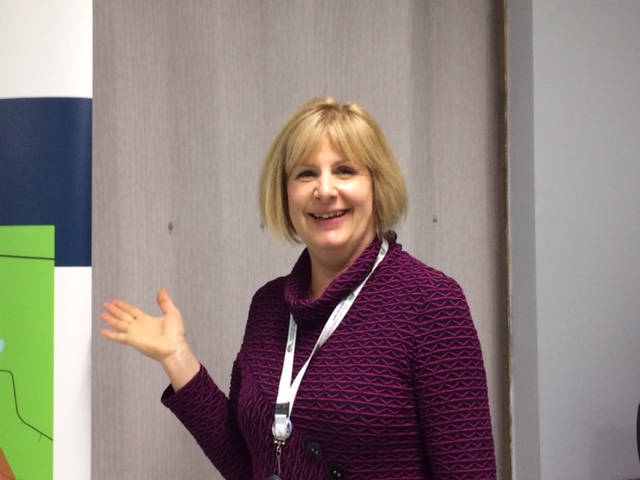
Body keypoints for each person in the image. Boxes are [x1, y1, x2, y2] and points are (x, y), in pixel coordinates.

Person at [100, 97, 497, 479]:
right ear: (285, 193)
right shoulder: (269, 306)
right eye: (306, 174)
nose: (324, 190)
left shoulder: (430, 303)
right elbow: (250, 464)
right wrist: (178, 358)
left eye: (345, 170)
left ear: (377, 185)